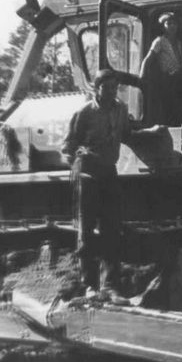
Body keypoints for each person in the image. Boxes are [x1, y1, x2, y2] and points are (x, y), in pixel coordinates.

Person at [62, 69, 131, 304]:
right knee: (86, 230)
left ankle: (110, 286)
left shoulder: (121, 109)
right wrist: (78, 169)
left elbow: (127, 134)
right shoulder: (85, 113)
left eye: (115, 88)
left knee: (112, 228)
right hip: (88, 172)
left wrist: (151, 133)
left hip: (109, 171)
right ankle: (89, 285)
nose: (112, 92)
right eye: (106, 88)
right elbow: (68, 147)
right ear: (96, 88)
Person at [139, 12, 182, 126]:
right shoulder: (160, 41)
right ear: (163, 26)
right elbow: (148, 59)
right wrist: (141, 77)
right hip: (167, 79)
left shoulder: (178, 43)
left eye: (174, 23)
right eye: (169, 23)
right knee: (169, 107)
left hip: (178, 79)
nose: (172, 26)